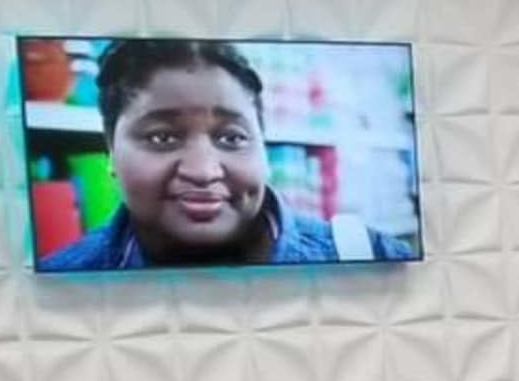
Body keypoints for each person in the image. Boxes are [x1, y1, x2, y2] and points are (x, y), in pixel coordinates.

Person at [35, 39, 416, 270]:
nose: (203, 172)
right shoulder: (63, 274)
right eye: (162, 137)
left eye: (232, 139)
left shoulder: (364, 254)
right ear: (110, 149)